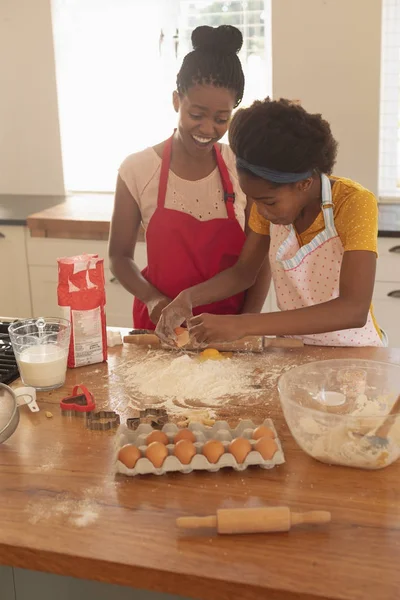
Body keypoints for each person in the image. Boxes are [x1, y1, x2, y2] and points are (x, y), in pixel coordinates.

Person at [156, 98, 385, 347]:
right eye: (253, 199)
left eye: (269, 202)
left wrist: (243, 324)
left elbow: (353, 309)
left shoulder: (353, 203)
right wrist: (187, 298)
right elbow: (243, 273)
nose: (261, 211)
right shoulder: (269, 205)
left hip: (354, 354)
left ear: (304, 183)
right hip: (293, 348)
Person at [108, 25, 269, 329]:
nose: (208, 128)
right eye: (196, 114)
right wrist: (153, 300)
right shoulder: (137, 169)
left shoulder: (242, 167)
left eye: (221, 119)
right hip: (159, 329)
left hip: (228, 330)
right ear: (176, 101)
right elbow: (119, 256)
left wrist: (247, 324)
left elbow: (258, 263)